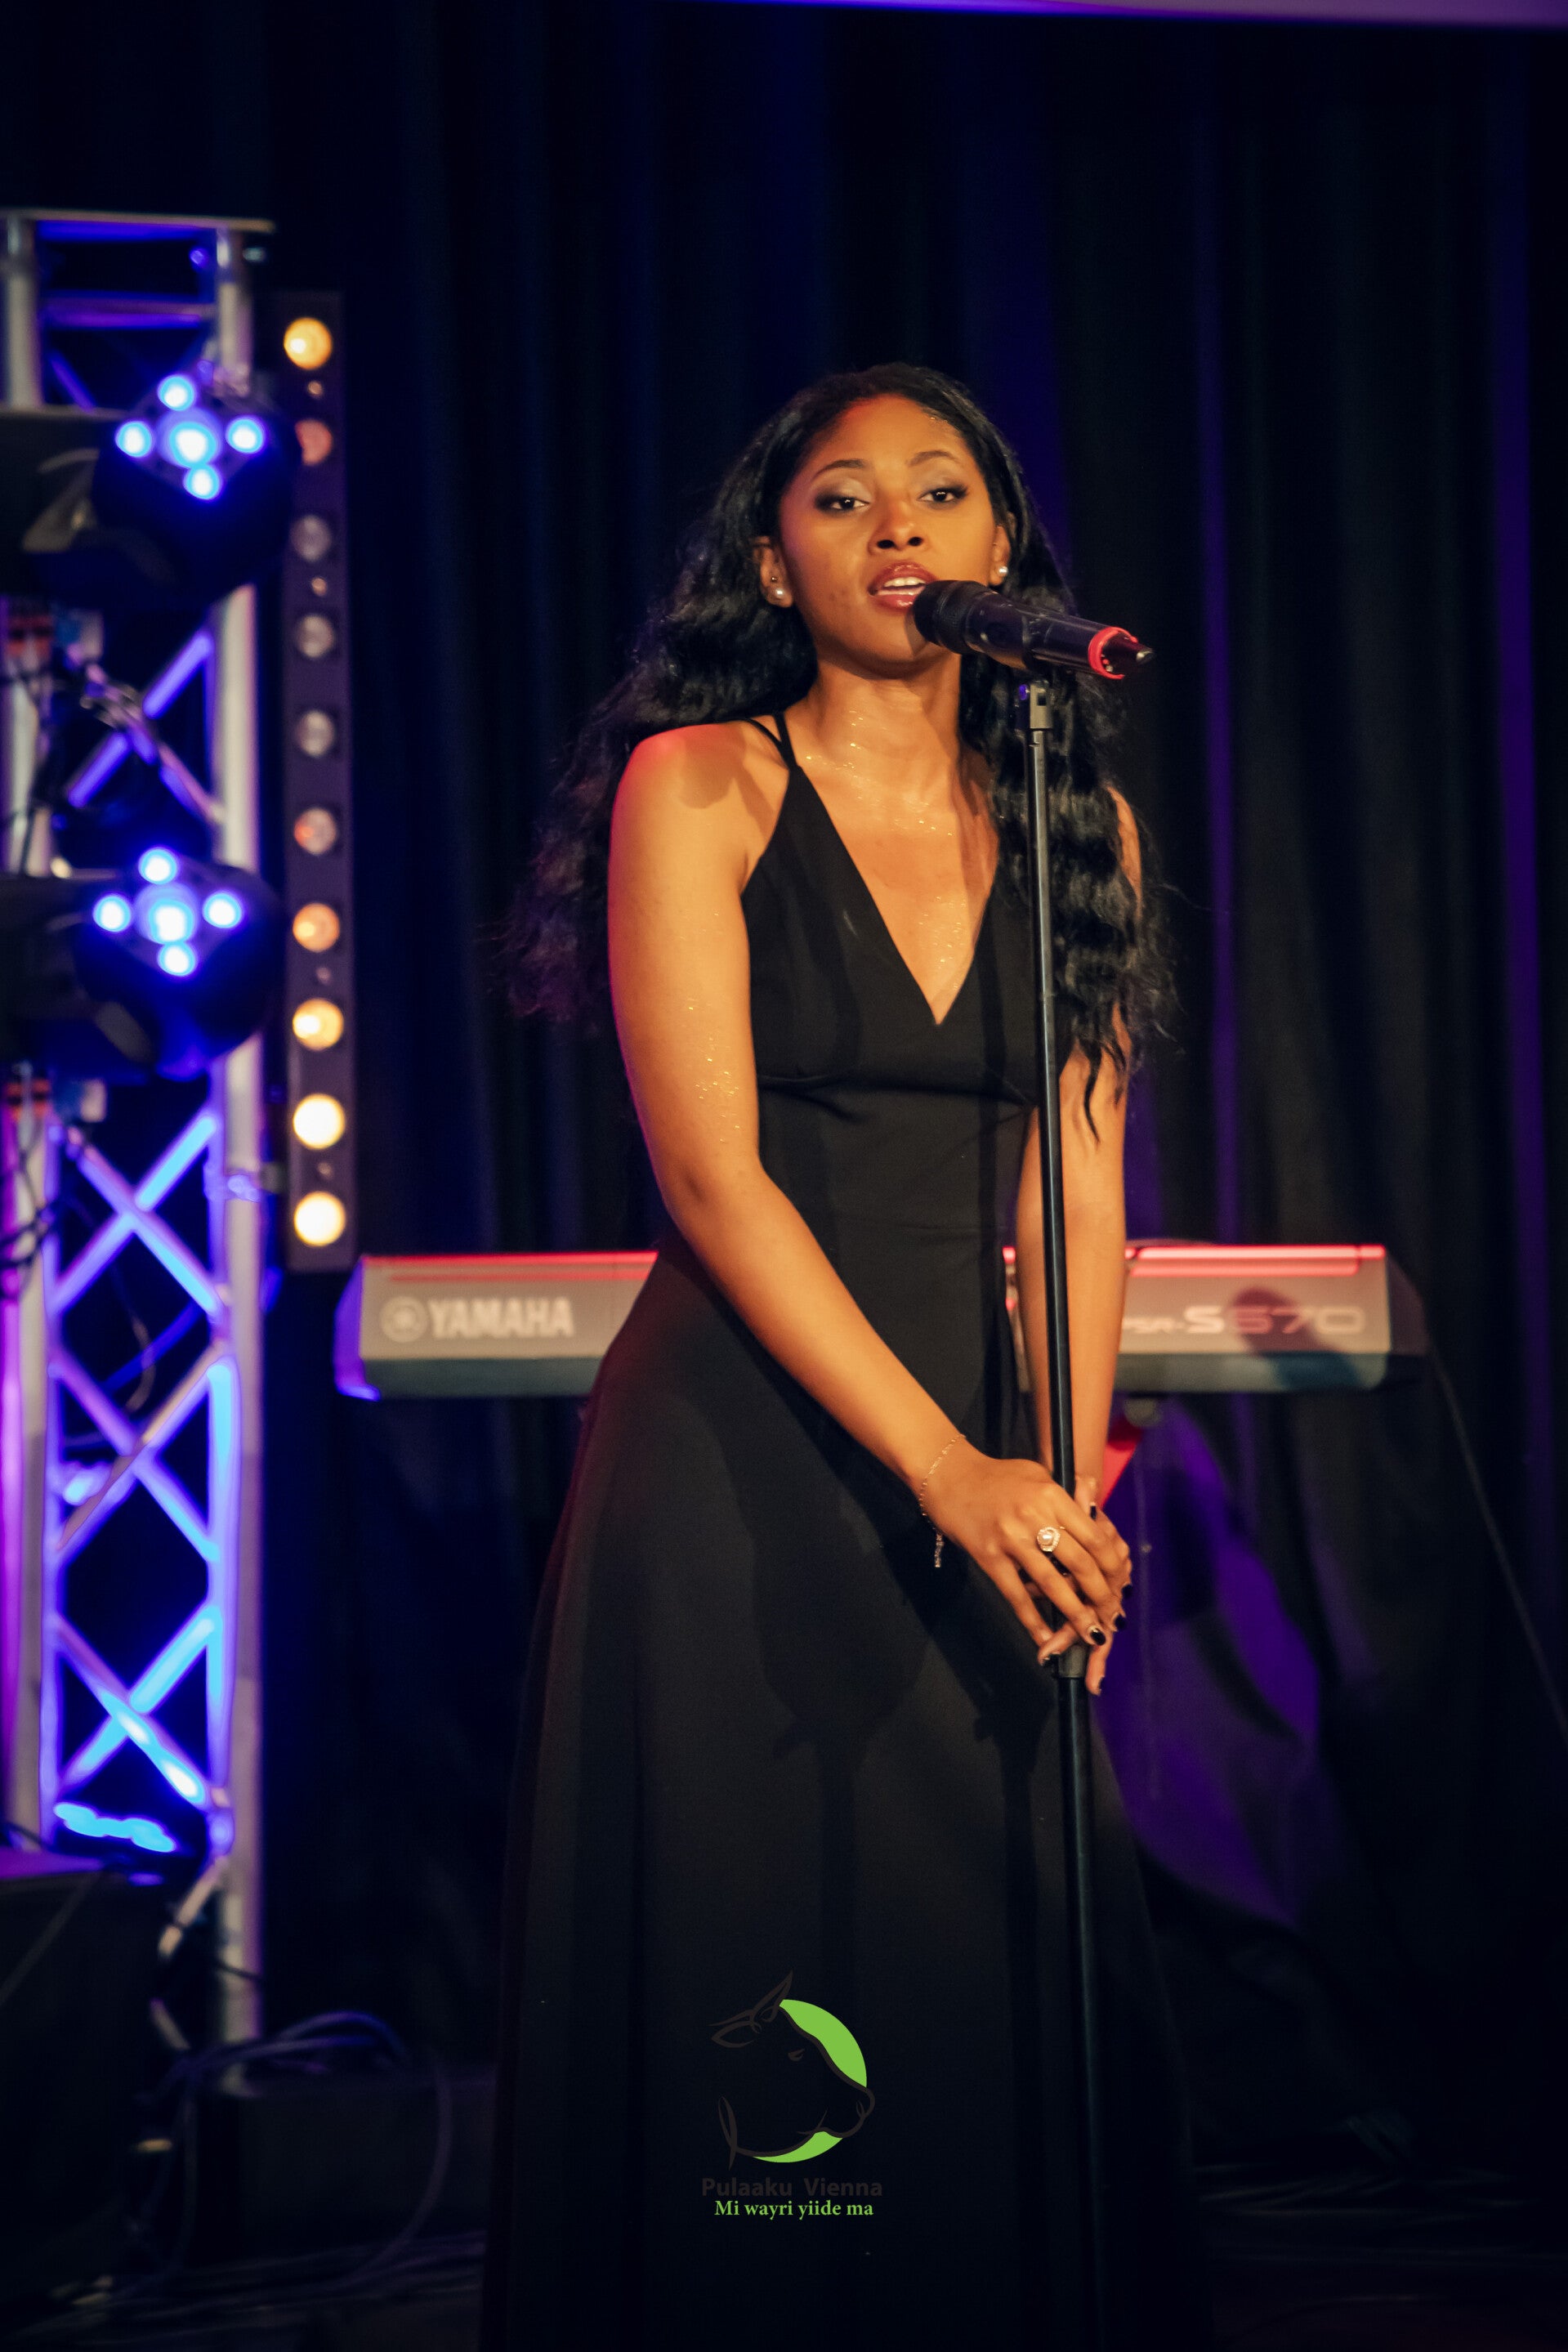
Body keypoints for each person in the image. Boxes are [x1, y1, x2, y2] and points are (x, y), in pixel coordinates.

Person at [482, 363, 1210, 2350]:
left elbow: (1079, 1190)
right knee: (764, 1968)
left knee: (987, 1950)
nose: (896, 525)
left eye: (940, 489)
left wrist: (1054, 1473)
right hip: (748, 1441)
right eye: (841, 497)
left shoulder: (1073, 811)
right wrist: (947, 1465)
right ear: (771, 560)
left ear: (1004, 542)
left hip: (986, 1447)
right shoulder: (699, 784)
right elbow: (713, 1181)